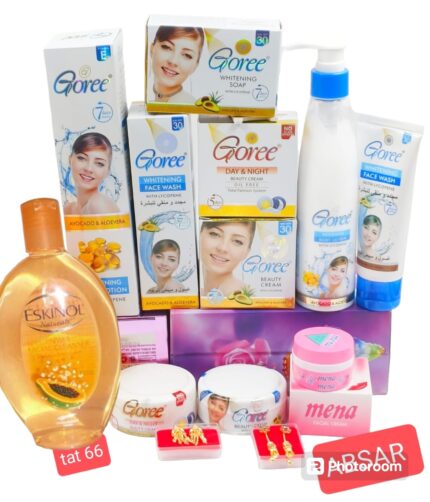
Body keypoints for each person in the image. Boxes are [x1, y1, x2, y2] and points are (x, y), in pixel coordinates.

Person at [64, 132, 120, 215]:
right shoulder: (68, 209)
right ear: (70, 160)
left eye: (99, 163)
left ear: (107, 172)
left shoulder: (99, 204)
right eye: (82, 158)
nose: (89, 169)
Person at [200, 220, 256, 296]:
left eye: (237, 241)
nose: (223, 248)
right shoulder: (195, 294)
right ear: (200, 234)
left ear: (246, 252)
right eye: (215, 234)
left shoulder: (240, 296)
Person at [149, 25, 204, 103]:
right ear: (152, 49)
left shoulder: (189, 104)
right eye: (166, 47)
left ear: (195, 66)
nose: (173, 61)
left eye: (187, 55)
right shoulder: (145, 95)